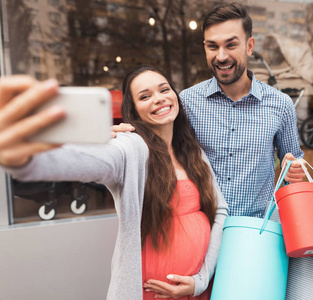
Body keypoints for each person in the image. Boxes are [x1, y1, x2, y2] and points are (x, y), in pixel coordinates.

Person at [0, 66, 229, 300]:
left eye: (164, 89)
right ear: (135, 111)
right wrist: (28, 158)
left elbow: (220, 210)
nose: (159, 99)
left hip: (199, 289)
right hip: (149, 293)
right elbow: (94, 162)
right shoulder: (132, 147)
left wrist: (201, 279)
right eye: (145, 96)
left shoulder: (192, 152)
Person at [114, 3, 305, 218]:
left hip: (256, 234)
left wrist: (297, 171)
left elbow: (294, 170)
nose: (221, 56)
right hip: (203, 232)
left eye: (231, 45)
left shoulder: (281, 104)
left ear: (249, 46)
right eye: (213, 46)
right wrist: (125, 136)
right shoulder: (185, 101)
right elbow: (156, 143)